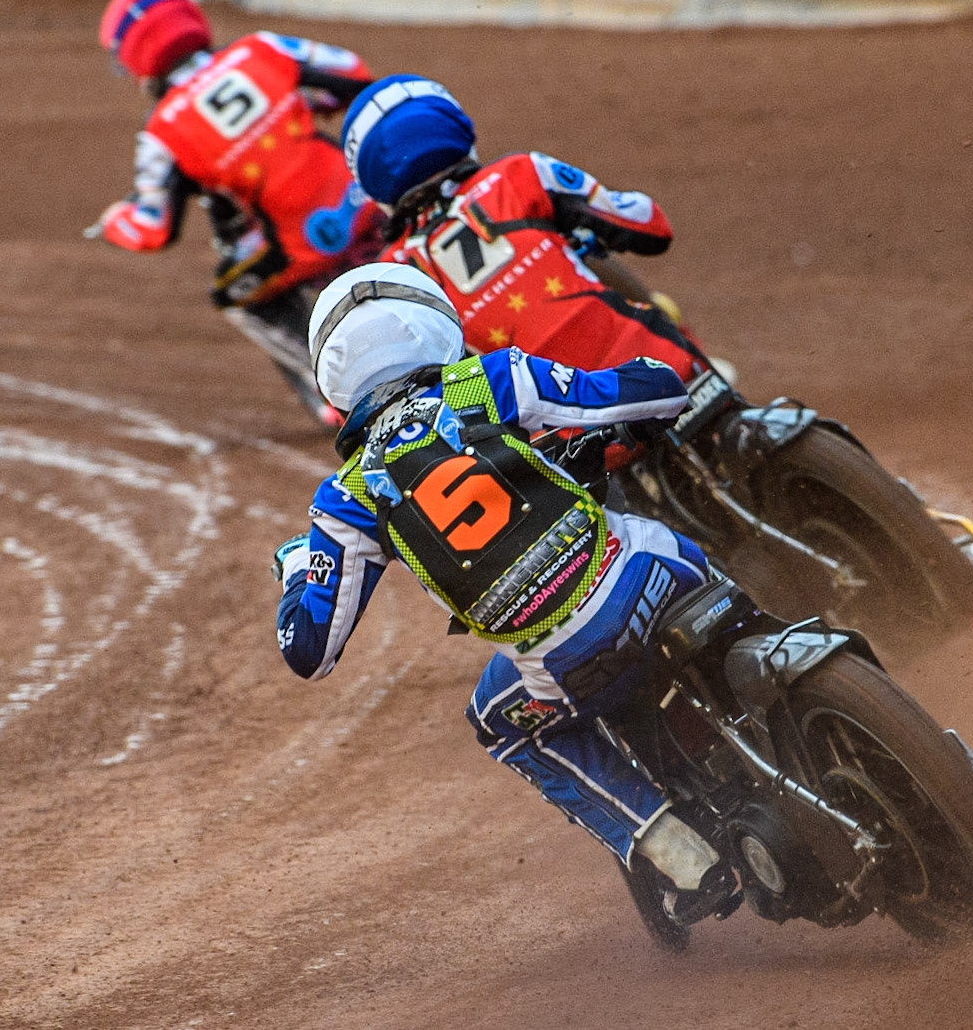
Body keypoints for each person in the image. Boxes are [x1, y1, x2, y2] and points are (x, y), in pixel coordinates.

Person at [273, 261, 739, 922]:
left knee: (499, 721)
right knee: (686, 550)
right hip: (651, 574)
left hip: (562, 665)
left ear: (338, 380)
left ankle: (680, 854)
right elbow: (657, 393)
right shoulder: (485, 381)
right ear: (432, 324)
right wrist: (647, 384)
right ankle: (791, 645)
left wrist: (298, 569)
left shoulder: (346, 496)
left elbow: (308, 651)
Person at [93, 0, 384, 424]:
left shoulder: (163, 131)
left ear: (137, 57)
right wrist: (308, 105)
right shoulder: (261, 49)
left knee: (236, 293)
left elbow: (153, 228)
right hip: (366, 198)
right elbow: (351, 74)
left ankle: (334, 388)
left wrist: (115, 221)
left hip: (299, 247)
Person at [339, 75, 710, 383]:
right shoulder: (519, 174)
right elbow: (652, 227)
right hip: (658, 367)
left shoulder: (395, 271)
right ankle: (722, 402)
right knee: (654, 308)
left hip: (560, 436)